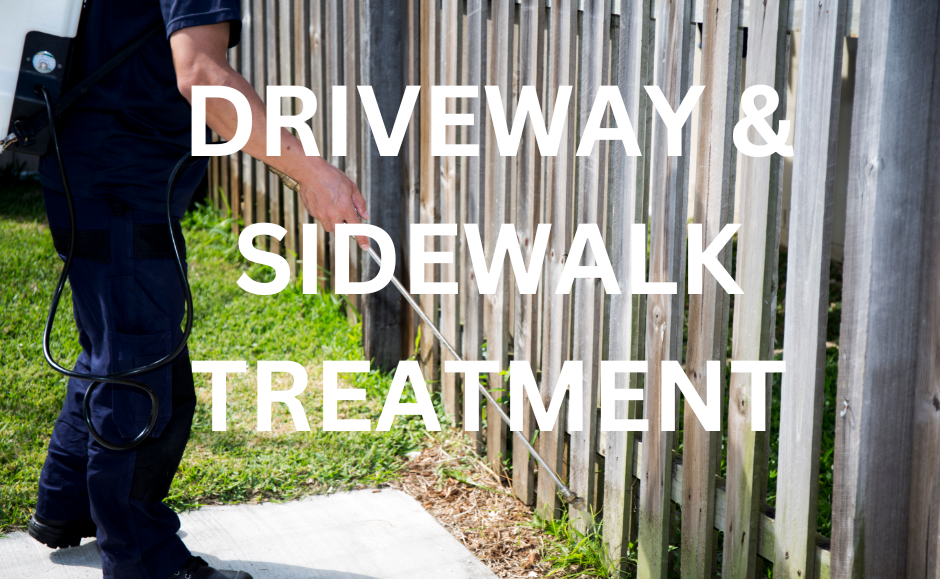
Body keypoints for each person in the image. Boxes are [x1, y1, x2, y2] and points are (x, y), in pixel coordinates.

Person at [29, 1, 368, 578]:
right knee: (143, 374)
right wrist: (311, 171)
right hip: (120, 184)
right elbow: (203, 76)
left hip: (82, 166)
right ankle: (143, 560)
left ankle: (67, 503)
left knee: (110, 346)